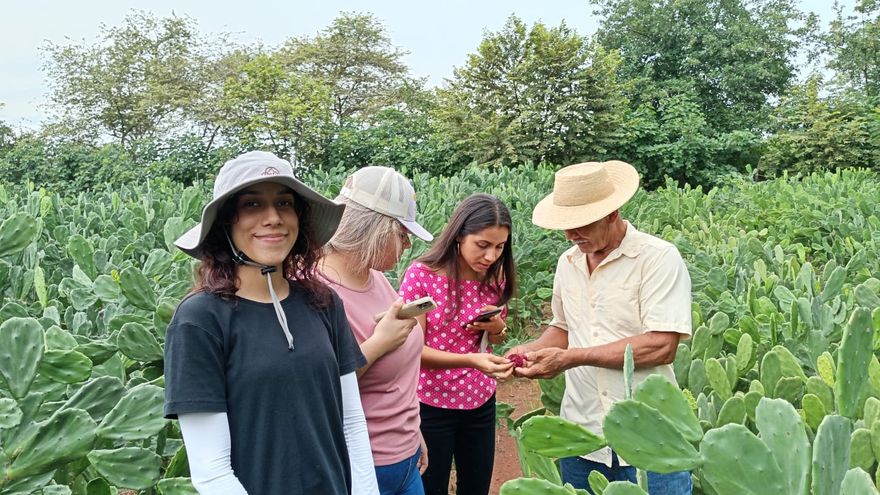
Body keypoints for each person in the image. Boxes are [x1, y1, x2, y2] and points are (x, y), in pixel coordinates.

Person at [163, 151, 378, 494]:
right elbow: (211, 471)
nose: (273, 218)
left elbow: (351, 423)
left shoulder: (323, 302)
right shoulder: (200, 320)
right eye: (252, 204)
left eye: (284, 203)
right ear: (225, 223)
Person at [507, 161, 693, 494]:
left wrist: (572, 358)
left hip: (651, 434)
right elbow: (563, 327)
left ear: (612, 213)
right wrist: (529, 351)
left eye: (580, 224)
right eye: (566, 226)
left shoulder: (657, 258)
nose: (570, 235)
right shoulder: (568, 263)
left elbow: (661, 345)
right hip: (582, 432)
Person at [318, 166, 434, 495]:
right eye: (402, 234)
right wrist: (378, 344)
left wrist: (412, 430)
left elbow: (396, 377)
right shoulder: (316, 291)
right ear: (376, 229)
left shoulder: (375, 277)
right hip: (359, 467)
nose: (407, 245)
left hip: (405, 457)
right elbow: (317, 388)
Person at [398, 193, 517, 495]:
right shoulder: (422, 276)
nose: (491, 256)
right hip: (430, 403)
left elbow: (495, 338)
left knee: (476, 487)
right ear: (459, 235)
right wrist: (471, 360)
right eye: (482, 245)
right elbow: (413, 351)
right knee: (430, 487)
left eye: (499, 247)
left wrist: (498, 328)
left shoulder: (496, 278)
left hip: (480, 401)